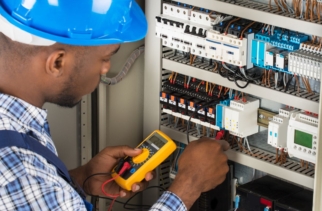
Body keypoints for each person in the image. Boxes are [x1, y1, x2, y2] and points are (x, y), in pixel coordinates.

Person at [0, 0, 230, 210]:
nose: (105, 70)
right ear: (58, 62)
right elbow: (28, 186)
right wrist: (189, 185)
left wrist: (81, 178)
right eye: (106, 58)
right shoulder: (19, 173)